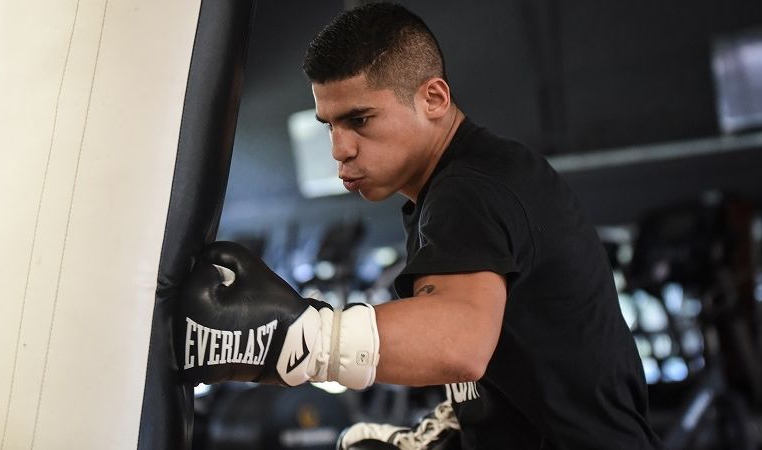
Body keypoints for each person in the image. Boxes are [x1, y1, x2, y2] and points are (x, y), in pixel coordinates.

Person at [178, 2, 664, 449]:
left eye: (360, 119)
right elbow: (514, 363)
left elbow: (459, 343)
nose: (339, 149)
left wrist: (301, 337)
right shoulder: (456, 189)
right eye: (330, 124)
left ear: (433, 98)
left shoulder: (470, 190)